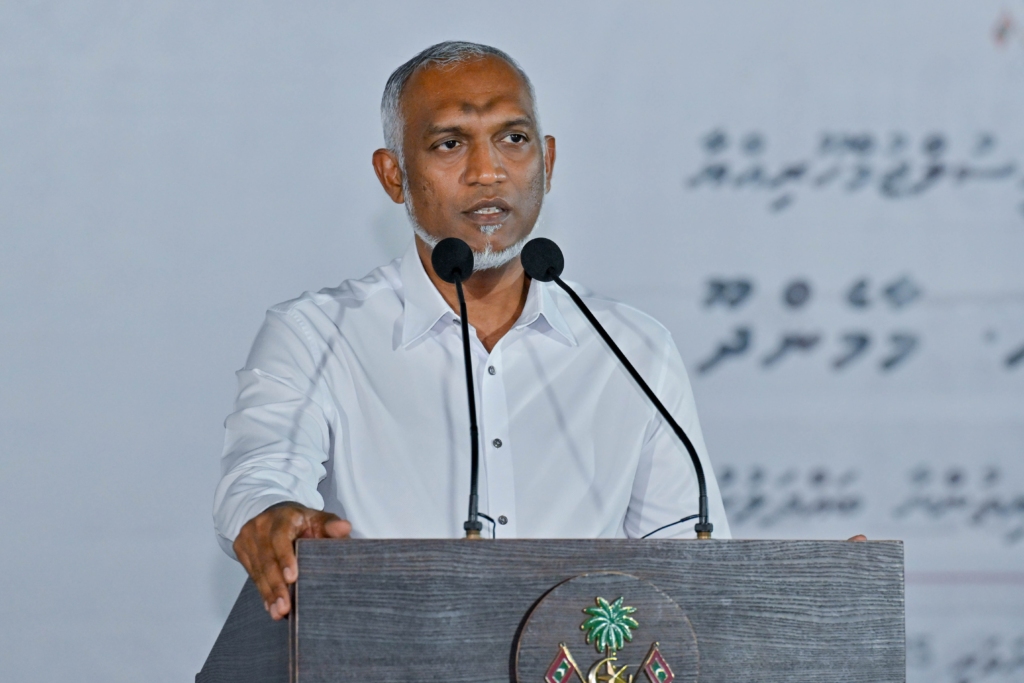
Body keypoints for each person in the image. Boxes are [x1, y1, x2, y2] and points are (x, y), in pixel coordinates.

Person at [213, 41, 732, 622]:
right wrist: (272, 514)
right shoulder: (317, 335)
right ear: (393, 175)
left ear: (548, 161)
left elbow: (690, 565)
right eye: (450, 144)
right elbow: (261, 474)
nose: (488, 172)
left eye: (514, 138)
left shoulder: (633, 347)